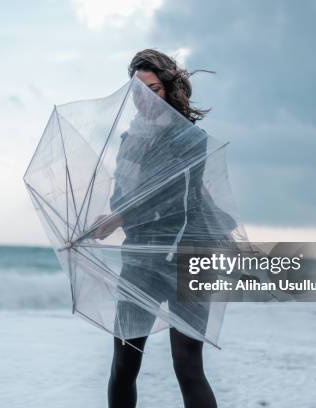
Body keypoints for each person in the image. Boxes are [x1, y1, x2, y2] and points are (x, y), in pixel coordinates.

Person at [93, 49, 218, 408]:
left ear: (168, 89)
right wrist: (113, 216)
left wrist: (118, 218)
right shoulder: (128, 142)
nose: (143, 100)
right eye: (136, 92)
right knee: (124, 363)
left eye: (152, 89)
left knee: (188, 366)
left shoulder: (192, 140)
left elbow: (175, 196)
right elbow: (122, 197)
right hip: (141, 258)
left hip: (190, 256)